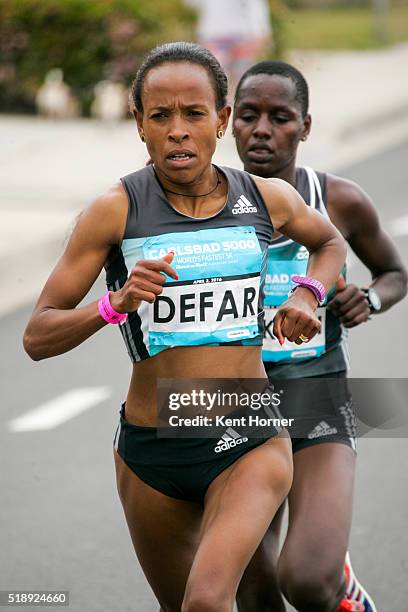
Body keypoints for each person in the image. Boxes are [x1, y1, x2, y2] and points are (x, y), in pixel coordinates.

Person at [23, 44, 346, 612]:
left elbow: (329, 242)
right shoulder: (114, 212)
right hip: (152, 451)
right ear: (139, 125)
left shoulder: (267, 199)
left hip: (249, 434)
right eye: (160, 116)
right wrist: (112, 305)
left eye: (194, 114)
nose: (178, 131)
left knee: (207, 601)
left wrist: (308, 291)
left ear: (221, 120)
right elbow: (37, 336)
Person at [232, 60, 408, 612]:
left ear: (305, 126)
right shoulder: (200, 206)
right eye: (247, 115)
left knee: (307, 580)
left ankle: (342, 587)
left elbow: (395, 273)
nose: (262, 130)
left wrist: (369, 298)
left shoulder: (340, 200)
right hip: (228, 402)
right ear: (227, 123)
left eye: (280, 117)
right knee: (251, 590)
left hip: (317, 393)